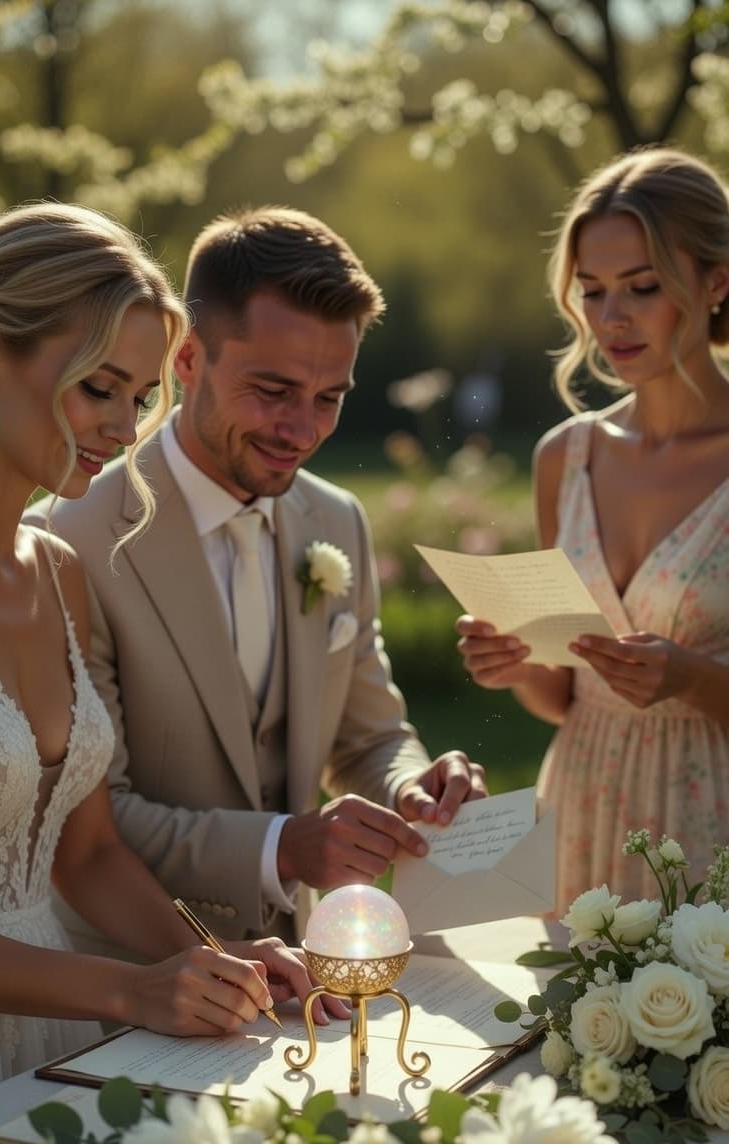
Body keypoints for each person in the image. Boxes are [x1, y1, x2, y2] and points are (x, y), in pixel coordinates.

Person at [0, 202, 340, 1099]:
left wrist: (214, 963)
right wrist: (130, 988)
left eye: (139, 398)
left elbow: (85, 855)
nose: (125, 430)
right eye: (100, 388)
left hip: (49, 1038)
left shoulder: (57, 570)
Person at [38, 206, 485, 950]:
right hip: (125, 977)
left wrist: (412, 784)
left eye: (329, 399)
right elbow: (90, 819)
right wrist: (284, 847)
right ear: (186, 361)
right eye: (272, 391)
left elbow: (370, 736)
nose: (301, 429)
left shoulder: (337, 520)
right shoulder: (72, 538)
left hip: (299, 975)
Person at [457, 147, 729, 912]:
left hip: (714, 832)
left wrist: (693, 680)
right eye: (594, 291)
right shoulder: (565, 457)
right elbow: (566, 697)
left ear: (717, 281)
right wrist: (516, 665)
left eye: (643, 287)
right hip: (580, 817)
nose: (612, 319)